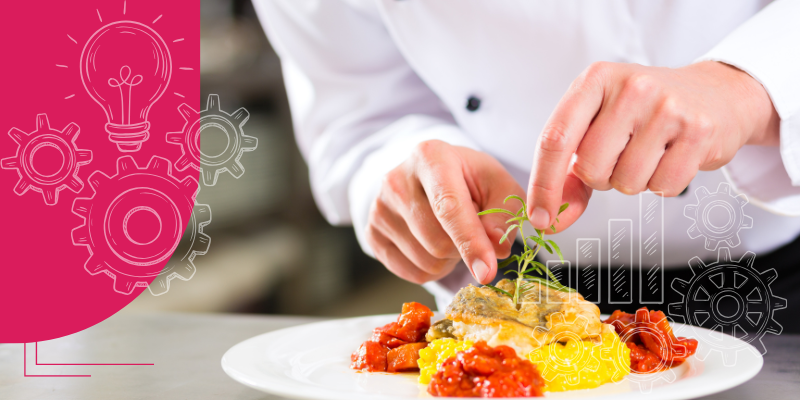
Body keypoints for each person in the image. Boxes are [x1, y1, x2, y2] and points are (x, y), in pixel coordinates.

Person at [255, 0, 800, 333]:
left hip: (783, 273)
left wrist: (751, 83)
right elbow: (361, 110)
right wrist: (402, 169)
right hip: (508, 295)